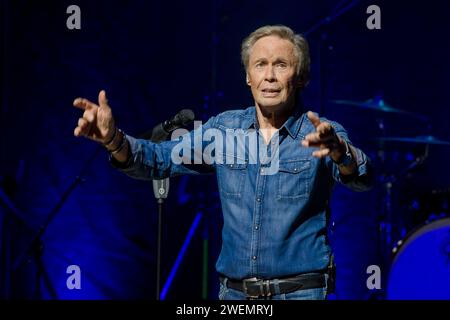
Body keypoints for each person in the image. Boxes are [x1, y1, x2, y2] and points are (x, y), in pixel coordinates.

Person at [72, 25, 373, 300]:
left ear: (301, 77)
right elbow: (158, 160)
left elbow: (361, 175)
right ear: (248, 76)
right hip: (234, 296)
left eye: (280, 65)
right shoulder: (224, 130)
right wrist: (113, 139)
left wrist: (340, 152)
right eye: (260, 65)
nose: (269, 76)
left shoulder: (321, 132)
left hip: (302, 294)